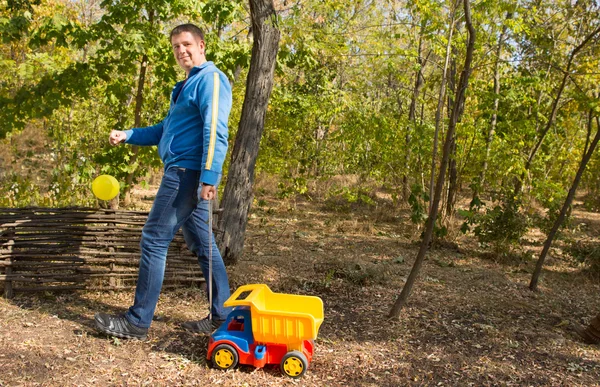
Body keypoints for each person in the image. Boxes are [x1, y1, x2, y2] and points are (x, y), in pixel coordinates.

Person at [94, 24, 232, 340]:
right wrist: (128, 135)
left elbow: (216, 132)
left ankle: (137, 322)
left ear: (201, 45)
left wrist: (210, 177)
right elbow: (164, 130)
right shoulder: (186, 85)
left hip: (187, 174)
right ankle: (221, 316)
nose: (181, 51)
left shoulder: (210, 79)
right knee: (203, 245)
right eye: (175, 47)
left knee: (154, 238)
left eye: (186, 44)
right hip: (185, 173)